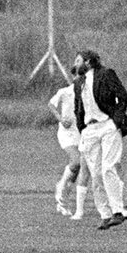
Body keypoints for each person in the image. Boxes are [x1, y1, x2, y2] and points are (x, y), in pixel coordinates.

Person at [70, 49, 127, 231]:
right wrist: (82, 129)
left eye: (78, 61)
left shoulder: (105, 74)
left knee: (108, 167)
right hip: (90, 130)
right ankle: (105, 214)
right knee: (95, 174)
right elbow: (78, 108)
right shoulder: (78, 83)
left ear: (88, 62)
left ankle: (118, 211)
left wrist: (116, 120)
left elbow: (122, 96)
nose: (75, 64)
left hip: (107, 126)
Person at [47, 74, 89, 220]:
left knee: (78, 168)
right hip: (67, 134)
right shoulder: (65, 92)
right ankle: (61, 190)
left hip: (82, 133)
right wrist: (61, 119)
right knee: (76, 161)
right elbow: (51, 105)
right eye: (78, 76)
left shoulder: (88, 93)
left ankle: (63, 196)